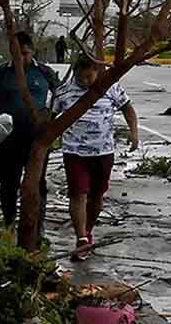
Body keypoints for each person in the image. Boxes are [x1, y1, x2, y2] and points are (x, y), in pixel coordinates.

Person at [0, 31, 61, 236]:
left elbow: (62, 96)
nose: (21, 58)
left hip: (36, 140)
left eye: (24, 53)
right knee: (8, 184)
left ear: (32, 51)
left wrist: (50, 116)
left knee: (37, 185)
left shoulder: (45, 73)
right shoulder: (1, 72)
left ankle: (36, 230)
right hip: (7, 139)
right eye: (16, 53)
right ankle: (9, 226)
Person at [53, 53, 138, 261]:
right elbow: (49, 117)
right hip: (74, 152)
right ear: (75, 73)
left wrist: (134, 133)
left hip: (103, 152)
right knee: (78, 194)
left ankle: (88, 230)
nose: (85, 82)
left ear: (97, 73)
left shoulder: (110, 87)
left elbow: (128, 109)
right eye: (81, 77)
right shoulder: (63, 92)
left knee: (97, 196)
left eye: (89, 77)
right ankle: (81, 238)